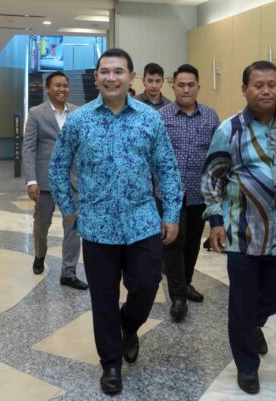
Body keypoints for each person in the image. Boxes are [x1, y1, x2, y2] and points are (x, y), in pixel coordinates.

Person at [49, 48, 182, 395]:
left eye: (118, 71)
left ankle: (130, 325)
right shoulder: (80, 120)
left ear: (131, 76)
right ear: (96, 77)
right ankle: (110, 363)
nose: (111, 78)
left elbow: (167, 169)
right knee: (103, 298)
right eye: (105, 72)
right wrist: (68, 208)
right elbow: (58, 166)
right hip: (97, 227)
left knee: (146, 286)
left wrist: (171, 213)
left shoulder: (150, 119)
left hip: (142, 223)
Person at [201, 61, 276, 394]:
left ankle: (249, 324)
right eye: (258, 85)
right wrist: (215, 220)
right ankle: (247, 366)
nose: (266, 91)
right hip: (243, 231)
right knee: (242, 299)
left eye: (272, 85)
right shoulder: (229, 129)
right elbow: (212, 177)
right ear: (245, 89)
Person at [158, 64, 220, 322]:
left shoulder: (211, 116)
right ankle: (177, 297)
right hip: (169, 194)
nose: (186, 89)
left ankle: (186, 283)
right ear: (173, 87)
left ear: (198, 87)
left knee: (193, 241)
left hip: (199, 192)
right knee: (174, 242)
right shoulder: (161, 116)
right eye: (181, 85)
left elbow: (217, 156)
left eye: (190, 85)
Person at [22, 71, 87, 290]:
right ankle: (40, 255)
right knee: (42, 225)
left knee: (72, 228)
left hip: (72, 182)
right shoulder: (36, 113)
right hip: (45, 182)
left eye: (65, 85)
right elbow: (29, 148)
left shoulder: (78, 113)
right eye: (57, 85)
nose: (62, 89)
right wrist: (31, 180)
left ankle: (68, 272)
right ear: (47, 89)